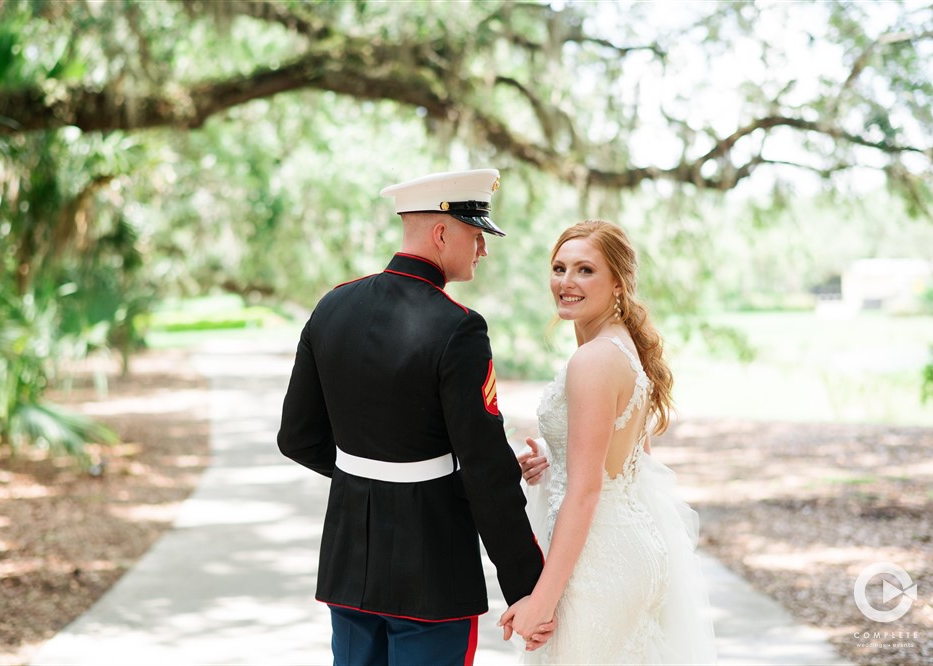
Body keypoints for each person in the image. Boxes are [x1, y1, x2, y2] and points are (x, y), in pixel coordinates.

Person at [277, 169, 552, 666]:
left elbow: (297, 438)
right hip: (431, 563)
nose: (483, 251)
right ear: (442, 232)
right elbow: (484, 471)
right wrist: (527, 589)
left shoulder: (331, 306)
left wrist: (372, 477)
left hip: (349, 558)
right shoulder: (459, 327)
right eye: (476, 235)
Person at [500, 220, 717, 664]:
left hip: (598, 563)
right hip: (629, 548)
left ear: (618, 283)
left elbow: (586, 492)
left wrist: (542, 599)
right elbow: (630, 458)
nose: (566, 282)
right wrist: (555, 455)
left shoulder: (593, 359)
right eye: (559, 268)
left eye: (585, 270)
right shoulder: (617, 348)